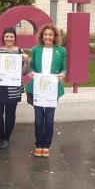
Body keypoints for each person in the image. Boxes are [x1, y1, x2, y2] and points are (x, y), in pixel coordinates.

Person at [26, 24, 66, 158]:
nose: (47, 37)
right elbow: (31, 67)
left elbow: (63, 68)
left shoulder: (60, 51)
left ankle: (46, 145)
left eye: (50, 35)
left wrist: (62, 74)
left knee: (49, 120)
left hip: (52, 90)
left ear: (54, 37)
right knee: (38, 120)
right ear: (42, 36)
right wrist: (31, 73)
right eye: (45, 35)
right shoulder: (36, 50)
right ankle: (38, 144)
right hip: (38, 89)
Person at [0, 27, 29, 149]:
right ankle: (0, 136)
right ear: (3, 38)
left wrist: (27, 62)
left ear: (15, 38)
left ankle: (6, 137)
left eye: (11, 37)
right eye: (7, 36)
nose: (9, 39)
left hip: (13, 88)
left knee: (10, 114)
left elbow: (23, 72)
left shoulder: (20, 52)